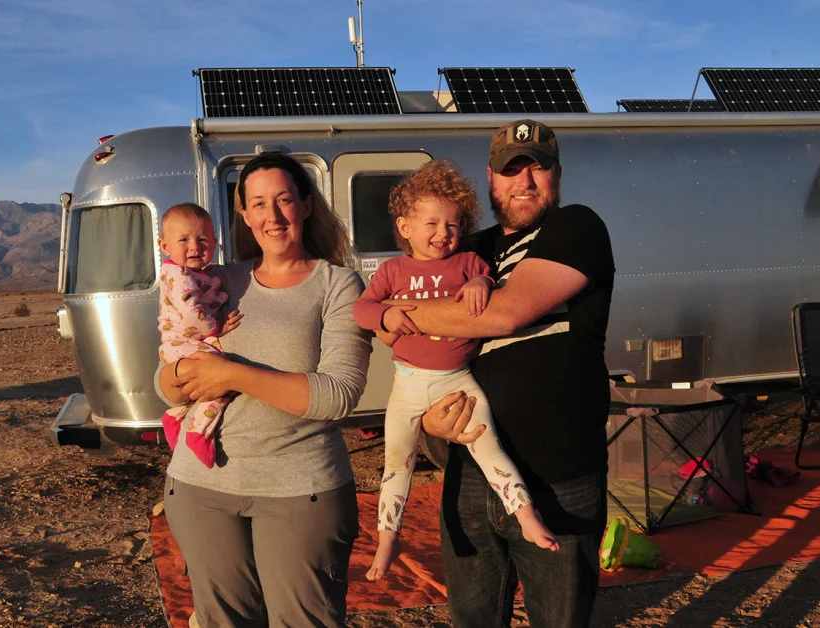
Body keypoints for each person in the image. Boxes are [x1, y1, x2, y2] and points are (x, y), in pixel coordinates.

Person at [395, 120, 615, 627]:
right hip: (471, 476)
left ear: (557, 174)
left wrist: (392, 314)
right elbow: (412, 348)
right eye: (511, 170)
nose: (525, 181)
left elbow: (504, 314)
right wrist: (427, 419)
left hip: (560, 478)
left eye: (538, 168)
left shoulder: (577, 228)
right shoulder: (467, 248)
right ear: (491, 179)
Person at [156, 152, 372, 627]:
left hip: (300, 491)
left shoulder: (338, 285)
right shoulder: (217, 280)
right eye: (257, 204)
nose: (272, 215)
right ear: (245, 215)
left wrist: (230, 375)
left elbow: (338, 394)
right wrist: (181, 374)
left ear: (306, 205)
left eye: (284, 200)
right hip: (200, 487)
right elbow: (166, 381)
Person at [352, 160, 558, 583]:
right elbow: (362, 309)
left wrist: (481, 284)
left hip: (458, 380)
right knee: (397, 464)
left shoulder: (467, 262)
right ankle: (388, 537)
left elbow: (490, 284)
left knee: (490, 449)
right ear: (405, 227)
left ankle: (526, 516)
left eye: (452, 225)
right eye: (431, 224)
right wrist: (385, 317)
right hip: (408, 384)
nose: (443, 233)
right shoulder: (392, 270)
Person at [156, 202, 242, 468]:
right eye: (184, 240)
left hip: (185, 342)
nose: (194, 246)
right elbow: (191, 315)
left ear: (214, 243)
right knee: (219, 379)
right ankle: (198, 431)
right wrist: (217, 328)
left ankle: (176, 415)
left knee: (202, 382)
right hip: (185, 342)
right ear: (165, 246)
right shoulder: (179, 276)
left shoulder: (196, 273)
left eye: (202, 239)